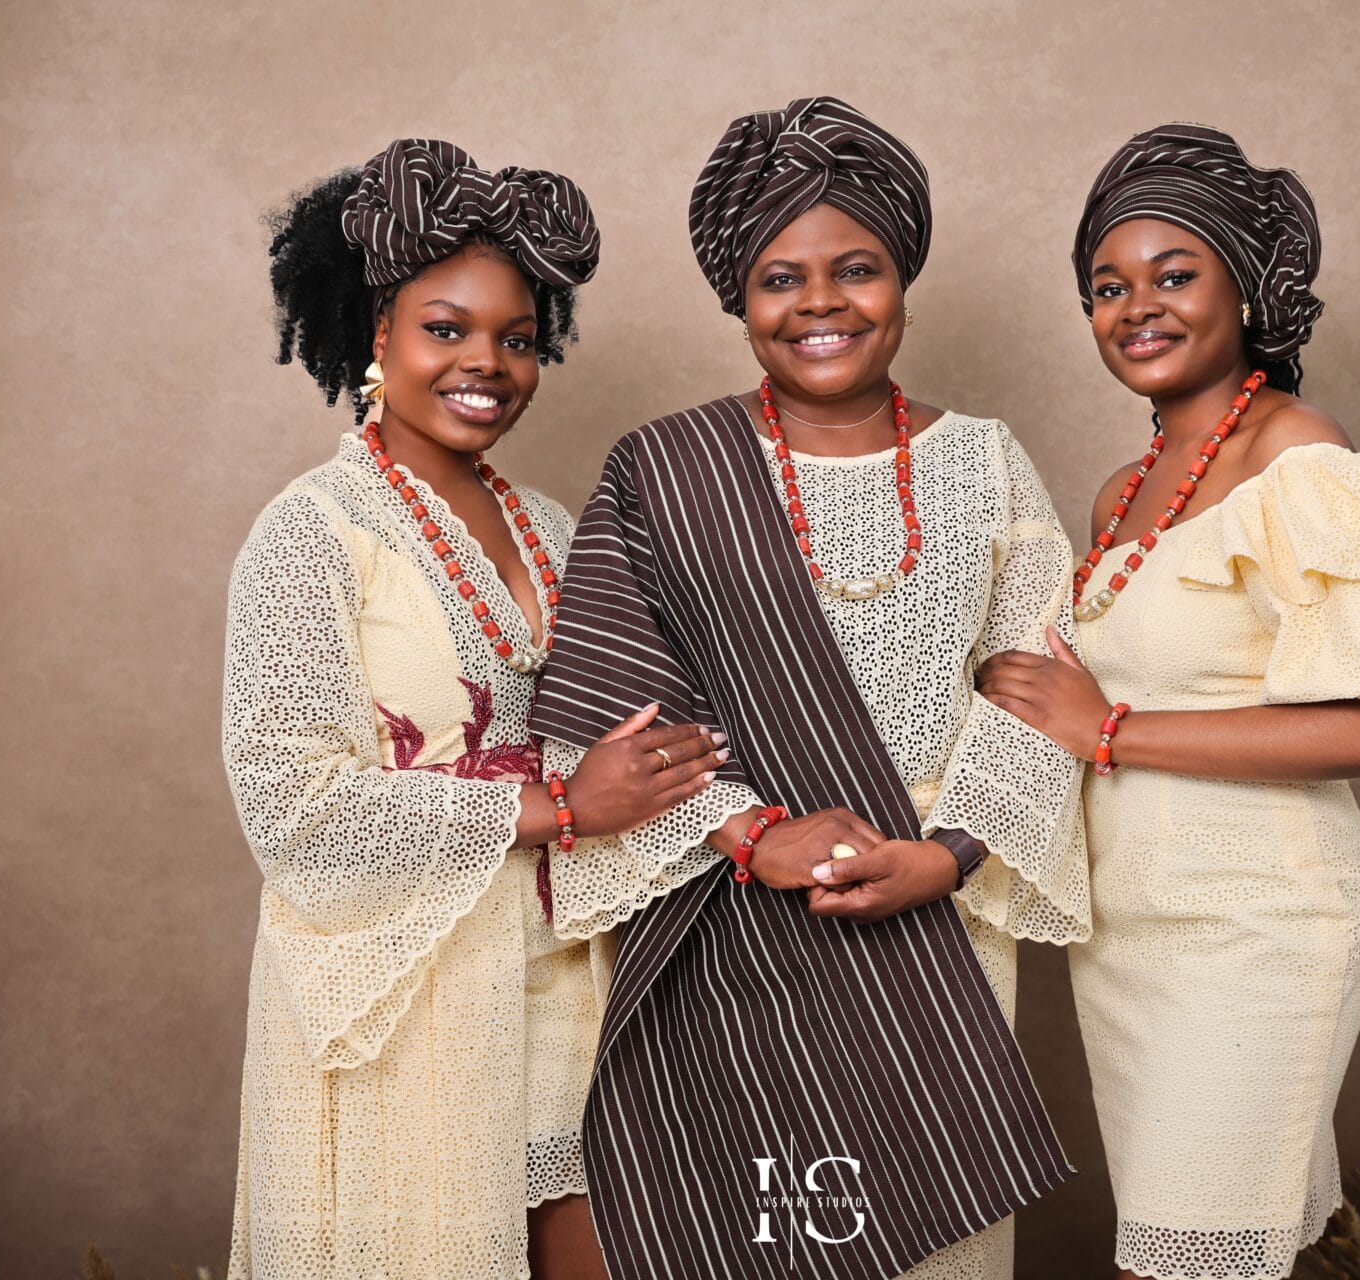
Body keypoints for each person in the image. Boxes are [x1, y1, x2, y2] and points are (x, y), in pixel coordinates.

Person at [528, 96, 1090, 1280]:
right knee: (754, 1239)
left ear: (902, 281)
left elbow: (1040, 689)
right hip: (726, 923)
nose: (821, 302)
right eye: (781, 277)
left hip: (936, 925)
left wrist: (950, 853)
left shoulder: (985, 459)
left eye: (857, 268)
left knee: (938, 1249)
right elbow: (612, 706)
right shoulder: (662, 467)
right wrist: (757, 835)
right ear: (741, 298)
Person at [976, 123, 1360, 1280]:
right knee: (1188, 1251)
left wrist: (1105, 730)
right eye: (1106, 287)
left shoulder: (1300, 456)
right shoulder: (1121, 491)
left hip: (1258, 923)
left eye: (1175, 274)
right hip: (1128, 936)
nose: (1136, 308)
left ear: (1244, 288)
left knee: (1195, 1257)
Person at [223, 137, 721, 1279]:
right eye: (446, 328)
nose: (485, 361)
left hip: (571, 992)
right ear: (373, 338)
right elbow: (292, 812)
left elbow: (641, 739)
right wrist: (558, 809)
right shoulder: (312, 535)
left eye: (516, 336)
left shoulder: (554, 529)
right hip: (408, 1003)